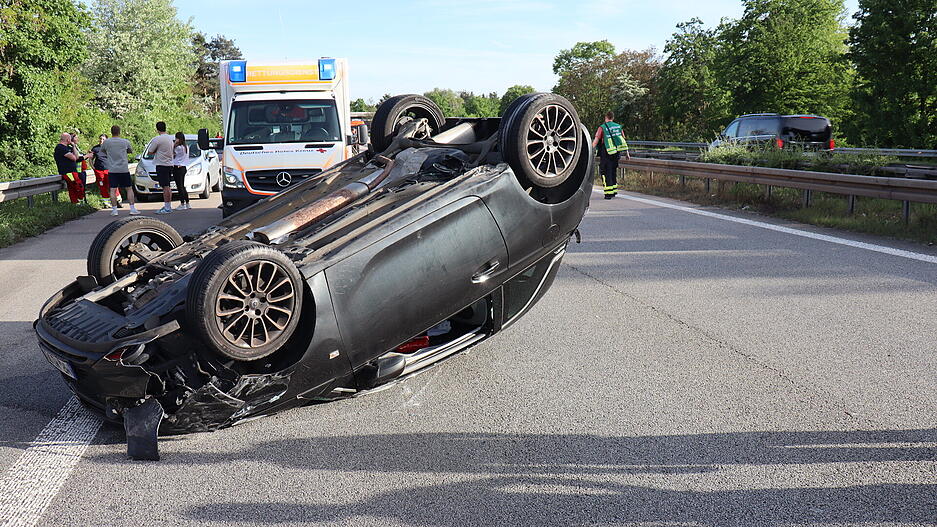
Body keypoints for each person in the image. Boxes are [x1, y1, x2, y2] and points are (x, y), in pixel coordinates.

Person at [101, 125, 140, 216]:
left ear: (111, 132)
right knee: (129, 189)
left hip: (112, 170)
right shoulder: (125, 142)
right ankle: (132, 209)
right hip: (123, 169)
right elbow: (130, 150)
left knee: (112, 190)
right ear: (119, 132)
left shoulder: (107, 142)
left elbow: (102, 151)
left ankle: (114, 210)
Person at [591, 111, 631, 199]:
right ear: (613, 118)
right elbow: (623, 140)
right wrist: (627, 153)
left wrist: (590, 150)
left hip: (606, 153)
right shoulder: (618, 127)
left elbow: (596, 140)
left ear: (606, 117)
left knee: (605, 172)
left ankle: (608, 193)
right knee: (613, 171)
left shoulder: (602, 127)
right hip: (616, 153)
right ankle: (613, 191)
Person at [146, 121, 175, 214]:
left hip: (161, 164)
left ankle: (167, 207)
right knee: (168, 186)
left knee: (165, 186)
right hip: (170, 164)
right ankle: (168, 205)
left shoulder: (157, 139)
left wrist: (157, 152)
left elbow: (150, 151)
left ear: (157, 129)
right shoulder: (170, 138)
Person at [53, 133, 86, 203]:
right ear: (68, 140)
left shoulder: (68, 148)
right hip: (68, 172)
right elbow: (74, 158)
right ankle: (80, 200)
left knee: (72, 188)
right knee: (78, 185)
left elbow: (76, 157)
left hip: (72, 171)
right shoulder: (60, 148)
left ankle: (75, 202)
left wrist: (74, 146)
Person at [171, 132, 191, 210]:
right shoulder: (186, 147)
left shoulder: (178, 148)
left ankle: (182, 204)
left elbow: (171, 152)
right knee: (182, 186)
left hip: (177, 168)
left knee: (179, 187)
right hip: (183, 167)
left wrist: (174, 144)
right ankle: (187, 203)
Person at [89, 134, 111, 199]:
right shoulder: (95, 148)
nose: (101, 140)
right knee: (102, 185)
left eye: (103, 139)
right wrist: (93, 168)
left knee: (111, 185)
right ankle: (106, 200)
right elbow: (91, 159)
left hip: (108, 170)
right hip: (99, 170)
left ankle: (116, 199)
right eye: (100, 139)